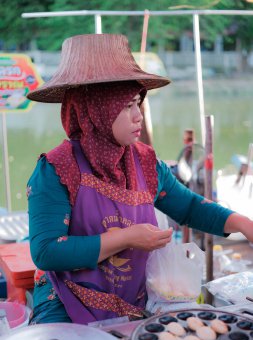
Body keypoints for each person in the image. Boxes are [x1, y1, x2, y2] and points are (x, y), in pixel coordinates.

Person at [27, 34, 253, 325]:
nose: (138, 117)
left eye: (138, 103)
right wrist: (127, 238)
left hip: (132, 300)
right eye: (126, 106)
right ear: (96, 110)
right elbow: (46, 251)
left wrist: (244, 225)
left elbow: (191, 208)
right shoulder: (56, 169)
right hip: (67, 297)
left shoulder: (145, 163)